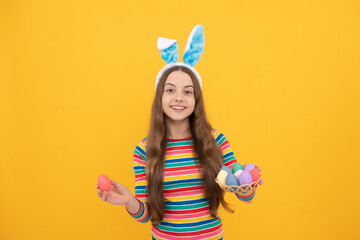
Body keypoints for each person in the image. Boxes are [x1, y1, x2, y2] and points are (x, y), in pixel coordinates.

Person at [97, 24, 263, 240]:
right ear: (160, 97)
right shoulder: (143, 150)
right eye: (170, 90)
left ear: (196, 100)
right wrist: (128, 200)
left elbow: (244, 192)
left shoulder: (216, 140)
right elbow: (147, 214)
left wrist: (247, 185)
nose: (179, 97)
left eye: (187, 91)